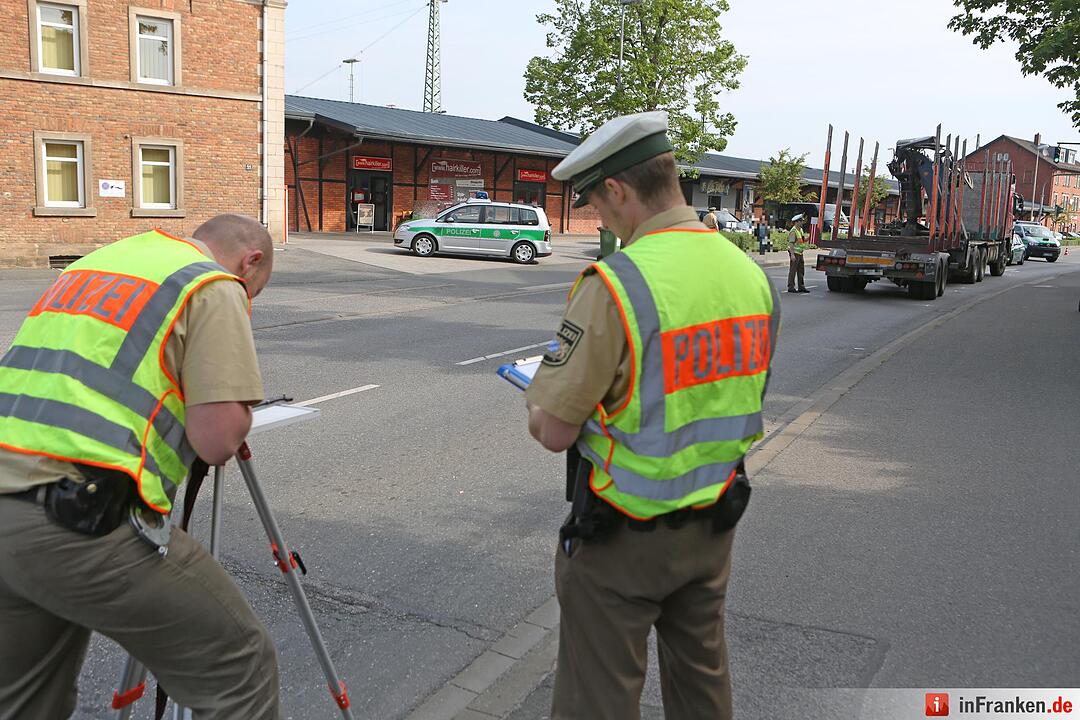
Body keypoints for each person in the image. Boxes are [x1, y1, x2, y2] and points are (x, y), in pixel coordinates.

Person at [527, 111, 780, 720]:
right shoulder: (750, 274)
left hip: (623, 535)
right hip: (713, 522)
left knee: (599, 700)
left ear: (618, 190)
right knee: (702, 685)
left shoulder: (618, 283)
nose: (598, 218)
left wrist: (544, 397)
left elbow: (553, 430)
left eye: (595, 201)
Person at [0, 215, 280, 719]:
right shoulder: (211, 282)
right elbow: (216, 440)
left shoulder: (96, 264)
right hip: (75, 513)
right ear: (250, 261)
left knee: (24, 702)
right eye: (254, 289)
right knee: (241, 666)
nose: (248, 297)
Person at [787, 214, 810, 293]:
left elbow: (802, 241)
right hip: (795, 253)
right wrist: (792, 255)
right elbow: (791, 244)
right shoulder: (793, 231)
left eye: (802, 221)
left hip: (800, 253)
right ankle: (791, 287)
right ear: (796, 222)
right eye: (800, 221)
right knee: (793, 271)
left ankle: (801, 287)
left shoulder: (800, 230)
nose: (802, 223)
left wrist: (809, 238)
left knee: (801, 271)